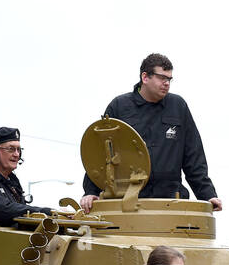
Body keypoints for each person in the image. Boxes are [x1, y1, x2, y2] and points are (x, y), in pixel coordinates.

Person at [80, 53, 221, 212]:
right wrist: (91, 192)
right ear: (145, 77)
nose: (166, 83)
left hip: (169, 202)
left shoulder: (178, 107)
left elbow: (193, 155)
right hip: (126, 202)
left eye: (169, 79)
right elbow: (100, 154)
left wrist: (207, 194)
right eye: (162, 78)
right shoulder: (119, 106)